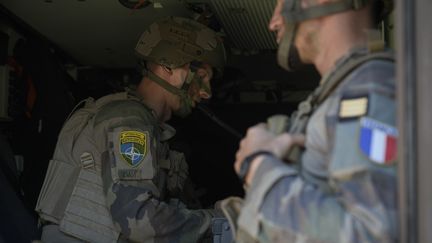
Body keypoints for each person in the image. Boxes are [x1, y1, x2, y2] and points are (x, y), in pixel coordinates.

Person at [35, 16, 226, 242]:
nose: (206, 92)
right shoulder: (129, 121)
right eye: (202, 77)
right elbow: (139, 221)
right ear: (168, 66)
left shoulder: (147, 129)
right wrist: (220, 223)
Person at [230, 0, 397, 242]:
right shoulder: (340, 93)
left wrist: (259, 167)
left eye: (281, 4)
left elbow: (371, 236)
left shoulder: (369, 92)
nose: (273, 22)